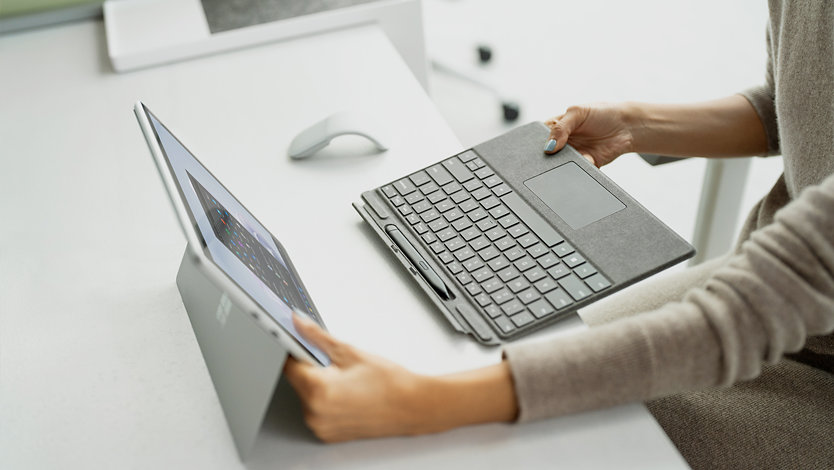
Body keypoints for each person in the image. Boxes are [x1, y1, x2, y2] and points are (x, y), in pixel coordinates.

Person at [284, 2, 834, 468]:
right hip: (776, 281)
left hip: (799, 352)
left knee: (520, 439)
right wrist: (636, 125)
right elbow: (788, 106)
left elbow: (741, 320)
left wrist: (423, 403)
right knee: (509, 352)